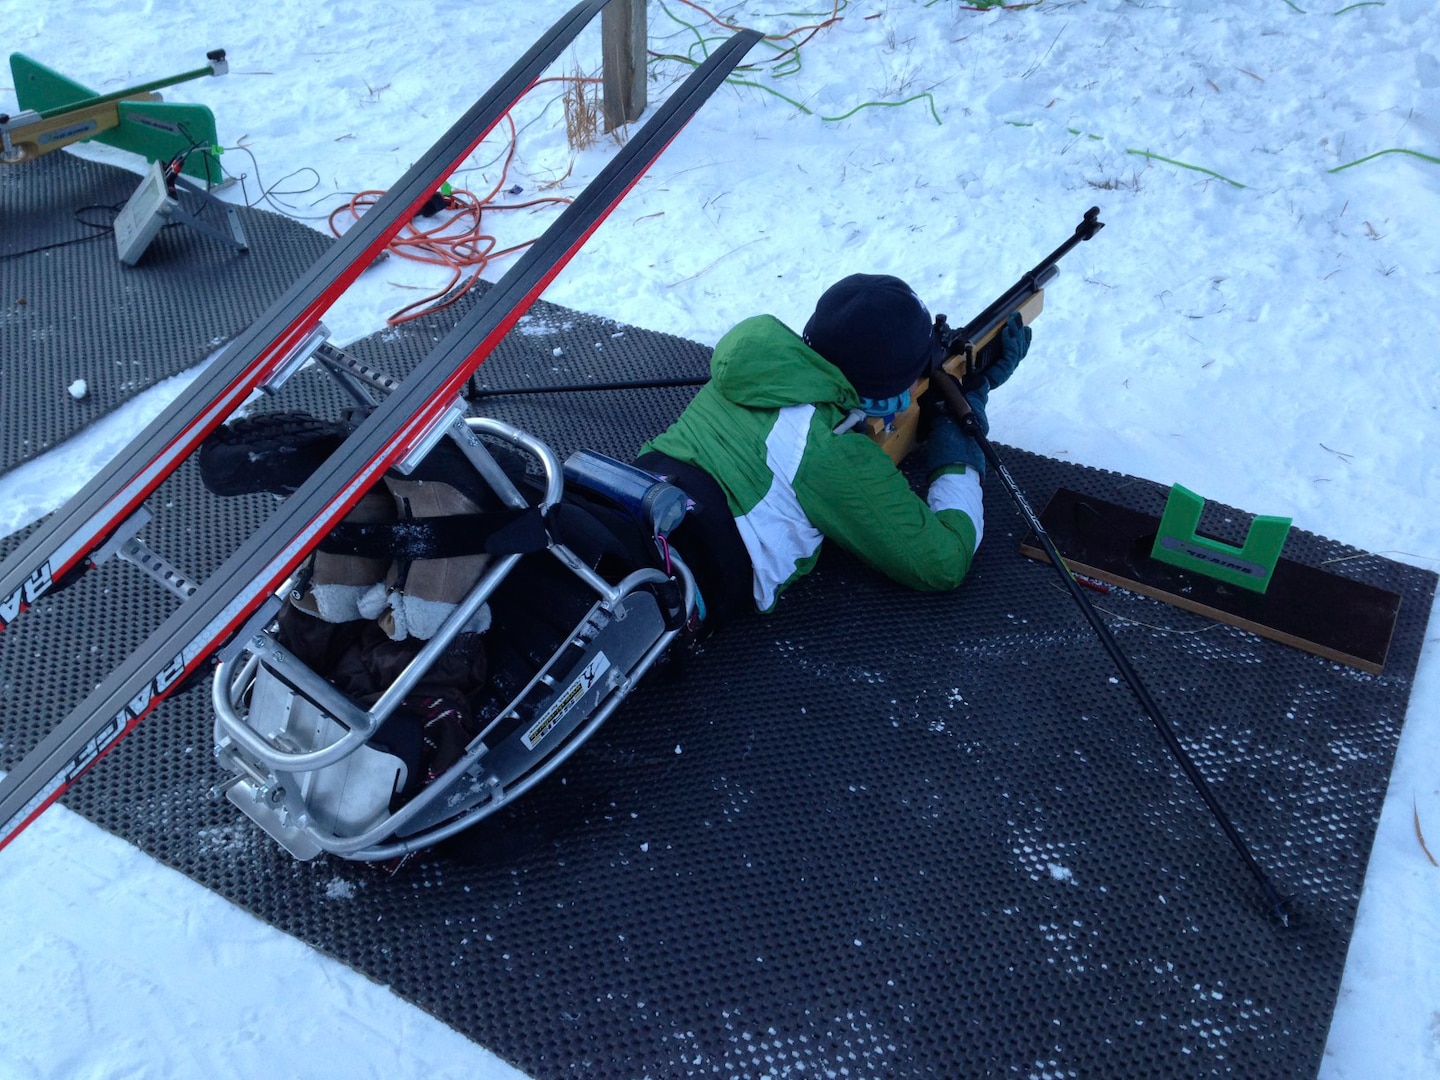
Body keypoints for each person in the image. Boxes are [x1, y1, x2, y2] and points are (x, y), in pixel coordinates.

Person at [634, 272, 1031, 634]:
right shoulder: (833, 452)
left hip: (630, 501)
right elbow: (943, 562)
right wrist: (959, 435)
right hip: (674, 587)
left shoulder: (756, 369)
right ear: (888, 390)